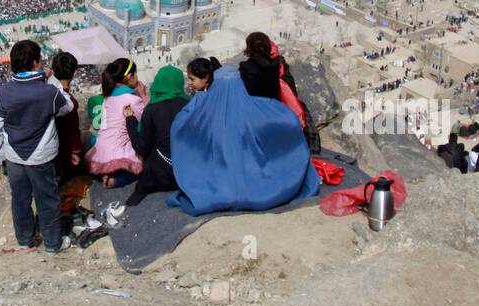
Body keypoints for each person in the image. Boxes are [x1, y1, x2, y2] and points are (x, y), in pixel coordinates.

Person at [169, 62, 319, 216]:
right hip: (255, 176)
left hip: (217, 179)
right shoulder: (255, 108)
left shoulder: (202, 106)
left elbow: (182, 125)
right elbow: (282, 119)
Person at [0, 39, 73, 253]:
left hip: (14, 156)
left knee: (20, 200)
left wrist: (4, 154)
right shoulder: (48, 92)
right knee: (47, 200)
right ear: (36, 63)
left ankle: (25, 239)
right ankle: (53, 244)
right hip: (41, 157)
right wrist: (52, 79)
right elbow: (68, 106)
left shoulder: (3, 93)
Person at [122, 65, 189, 206]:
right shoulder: (189, 105)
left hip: (161, 176)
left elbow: (142, 147)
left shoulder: (152, 109)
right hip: (187, 173)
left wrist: (130, 121)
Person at [84, 58, 146, 188]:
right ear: (130, 76)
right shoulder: (132, 100)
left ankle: (106, 175)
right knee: (146, 168)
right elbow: (146, 121)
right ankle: (115, 181)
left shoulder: (108, 98)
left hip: (100, 155)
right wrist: (143, 97)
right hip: (121, 157)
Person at [49, 51, 84, 179]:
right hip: (62, 152)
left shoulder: (46, 89)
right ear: (74, 73)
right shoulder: (69, 103)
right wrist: (75, 151)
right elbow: (72, 130)